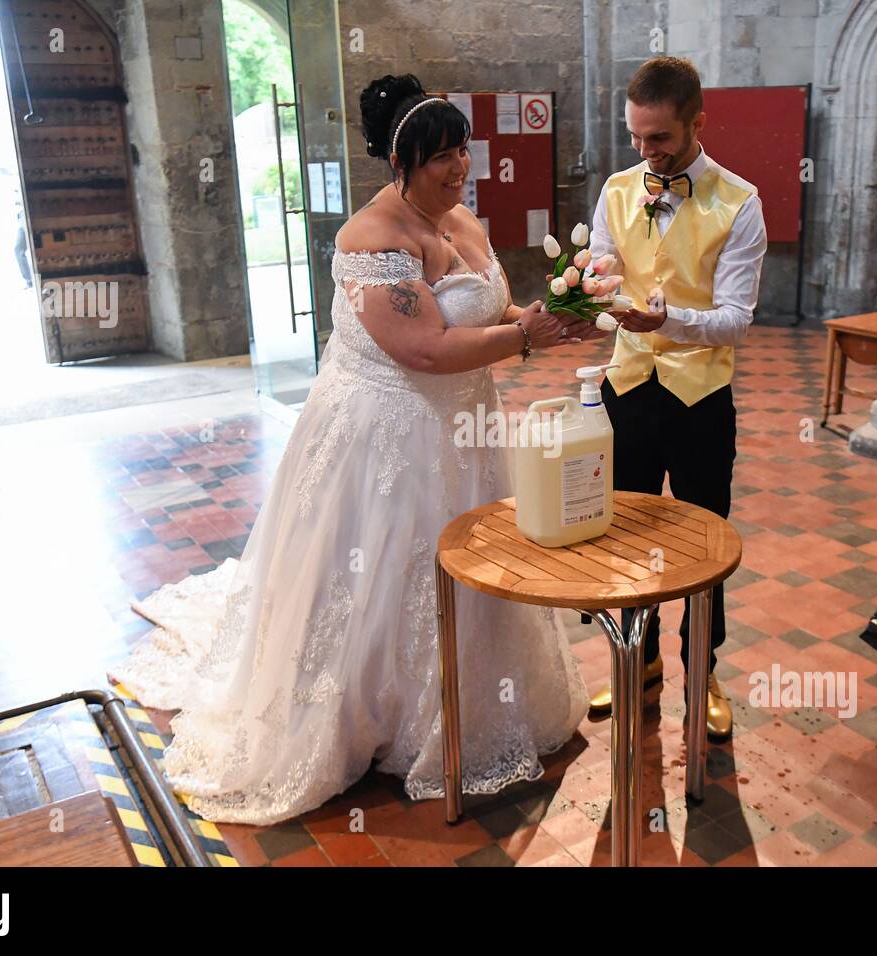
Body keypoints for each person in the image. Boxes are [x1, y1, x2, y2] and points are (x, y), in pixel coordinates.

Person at [109, 73, 607, 825]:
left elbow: (488, 306)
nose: (459, 168)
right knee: (378, 569)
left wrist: (541, 314)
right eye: (440, 156)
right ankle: (365, 716)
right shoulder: (369, 238)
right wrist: (522, 338)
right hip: (388, 434)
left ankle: (465, 707)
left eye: (461, 150)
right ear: (399, 160)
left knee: (467, 564)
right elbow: (425, 349)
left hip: (463, 427)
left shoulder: (462, 221)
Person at [586, 56, 767, 739]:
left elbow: (737, 319)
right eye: (636, 137)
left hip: (700, 400)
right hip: (627, 390)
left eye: (658, 138)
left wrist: (670, 321)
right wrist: (591, 288)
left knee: (704, 545)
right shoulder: (615, 190)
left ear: (697, 122)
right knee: (625, 535)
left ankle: (705, 670)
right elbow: (604, 267)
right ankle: (638, 663)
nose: (646, 152)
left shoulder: (740, 202)